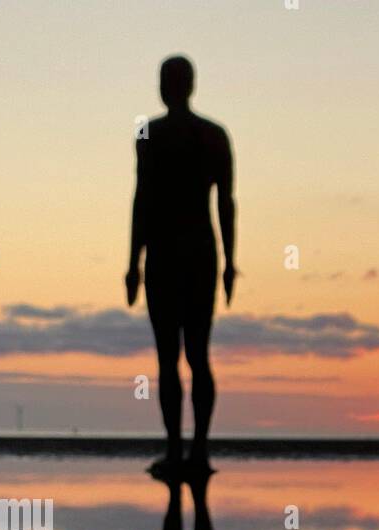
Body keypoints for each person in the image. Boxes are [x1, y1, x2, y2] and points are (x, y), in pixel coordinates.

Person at [126, 55, 236, 478]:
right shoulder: (208, 135)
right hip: (193, 255)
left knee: (176, 358)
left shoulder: (156, 135)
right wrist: (229, 261)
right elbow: (224, 203)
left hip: (174, 256)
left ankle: (186, 451)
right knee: (192, 356)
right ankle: (191, 451)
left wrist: (133, 262)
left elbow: (143, 201)